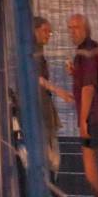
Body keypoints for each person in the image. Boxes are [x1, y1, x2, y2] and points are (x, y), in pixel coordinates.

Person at [66, 13, 98, 197]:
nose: (71, 32)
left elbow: (89, 88)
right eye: (69, 28)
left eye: (75, 27)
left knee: (90, 165)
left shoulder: (84, 53)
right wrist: (76, 73)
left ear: (85, 29)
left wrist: (83, 121)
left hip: (94, 118)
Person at [33, 16, 69, 176]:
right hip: (39, 110)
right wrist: (57, 90)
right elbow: (34, 76)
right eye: (45, 31)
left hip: (44, 108)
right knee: (51, 158)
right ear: (34, 31)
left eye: (50, 32)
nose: (48, 35)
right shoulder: (32, 52)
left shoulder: (38, 50)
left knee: (52, 155)